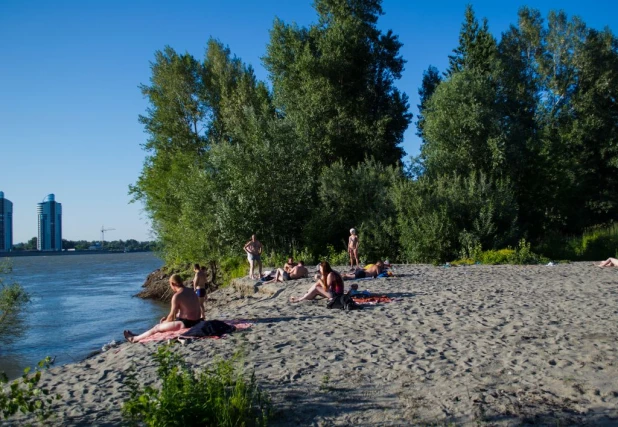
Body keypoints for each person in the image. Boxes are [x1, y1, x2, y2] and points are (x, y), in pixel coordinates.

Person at [124, 274, 202, 343]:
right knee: (166, 322)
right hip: (197, 321)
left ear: (172, 283)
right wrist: (169, 320)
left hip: (186, 324)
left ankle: (134, 338)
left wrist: (164, 323)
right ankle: (140, 335)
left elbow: (172, 316)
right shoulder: (191, 291)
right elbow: (187, 311)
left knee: (157, 327)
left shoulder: (177, 296)